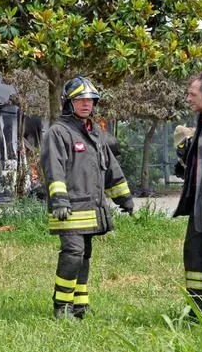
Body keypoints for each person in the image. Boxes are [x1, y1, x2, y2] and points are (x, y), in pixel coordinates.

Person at [41, 76, 136, 320]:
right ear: (68, 103)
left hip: (91, 209)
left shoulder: (95, 133)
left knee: (84, 255)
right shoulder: (58, 132)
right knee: (73, 253)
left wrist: (124, 198)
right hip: (69, 208)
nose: (86, 104)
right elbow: (54, 168)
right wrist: (60, 201)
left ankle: (80, 306)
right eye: (80, 100)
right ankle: (61, 307)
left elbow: (111, 169)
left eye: (90, 100)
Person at [173, 71, 202, 316]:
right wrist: (185, 156)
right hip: (199, 208)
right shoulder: (200, 124)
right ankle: (197, 310)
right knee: (194, 257)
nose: (188, 99)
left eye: (192, 94)